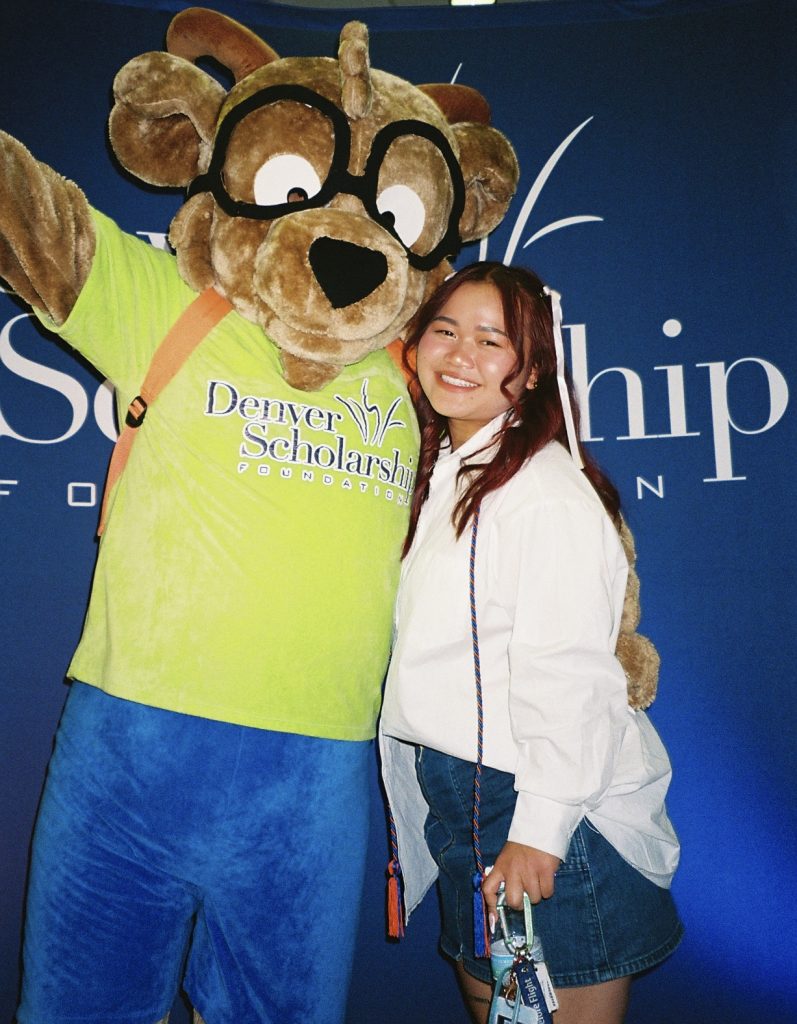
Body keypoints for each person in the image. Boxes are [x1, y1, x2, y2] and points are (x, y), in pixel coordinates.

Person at [380, 261, 683, 1024]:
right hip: (469, 802)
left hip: (536, 809)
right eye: (444, 330)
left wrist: (539, 833)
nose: (459, 355)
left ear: (532, 368)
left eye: (490, 340)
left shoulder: (541, 493)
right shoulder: (449, 470)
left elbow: (573, 675)